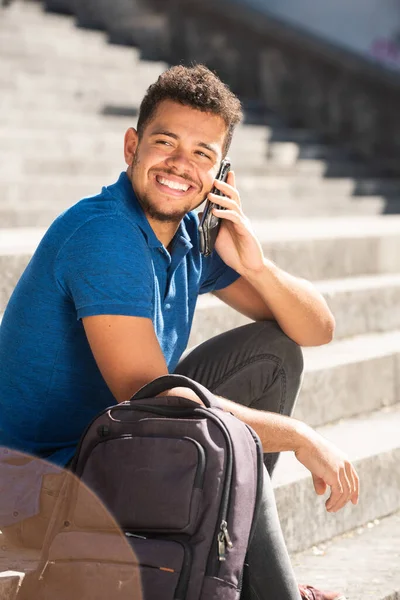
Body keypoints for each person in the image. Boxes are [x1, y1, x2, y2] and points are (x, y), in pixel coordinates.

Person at [0, 64, 358, 600]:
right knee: (225, 439)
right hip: (41, 486)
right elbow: (154, 395)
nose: (180, 164)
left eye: (202, 154)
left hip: (113, 442)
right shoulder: (104, 234)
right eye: (165, 142)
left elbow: (316, 328)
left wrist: (256, 265)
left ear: (221, 173)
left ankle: (233, 568)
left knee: (274, 353)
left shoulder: (191, 234)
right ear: (131, 147)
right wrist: (300, 435)